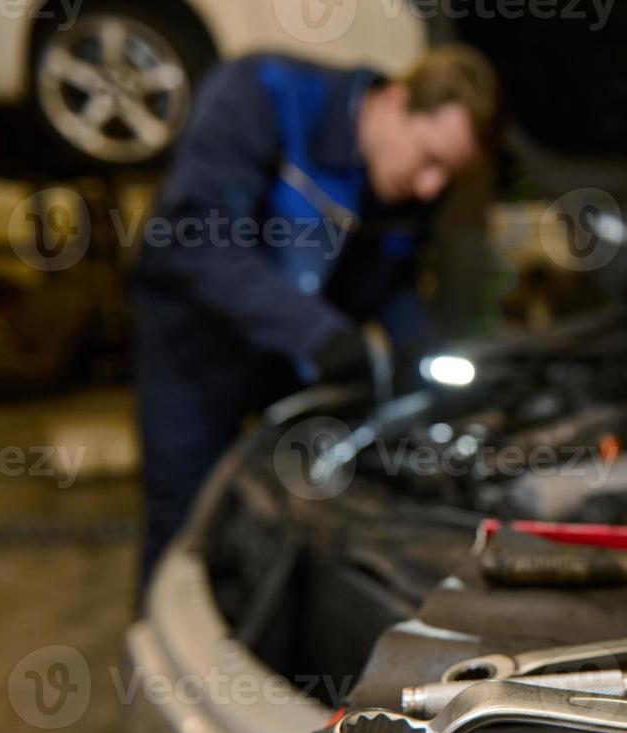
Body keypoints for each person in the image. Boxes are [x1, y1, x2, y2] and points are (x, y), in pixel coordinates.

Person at [131, 45, 499, 584]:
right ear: (395, 102)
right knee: (186, 520)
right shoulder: (263, 94)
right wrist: (319, 336)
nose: (431, 188)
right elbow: (196, 240)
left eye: (449, 175)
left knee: (291, 516)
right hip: (193, 347)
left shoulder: (405, 185)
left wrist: (427, 359)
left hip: (286, 359)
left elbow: (386, 286)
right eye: (430, 159)